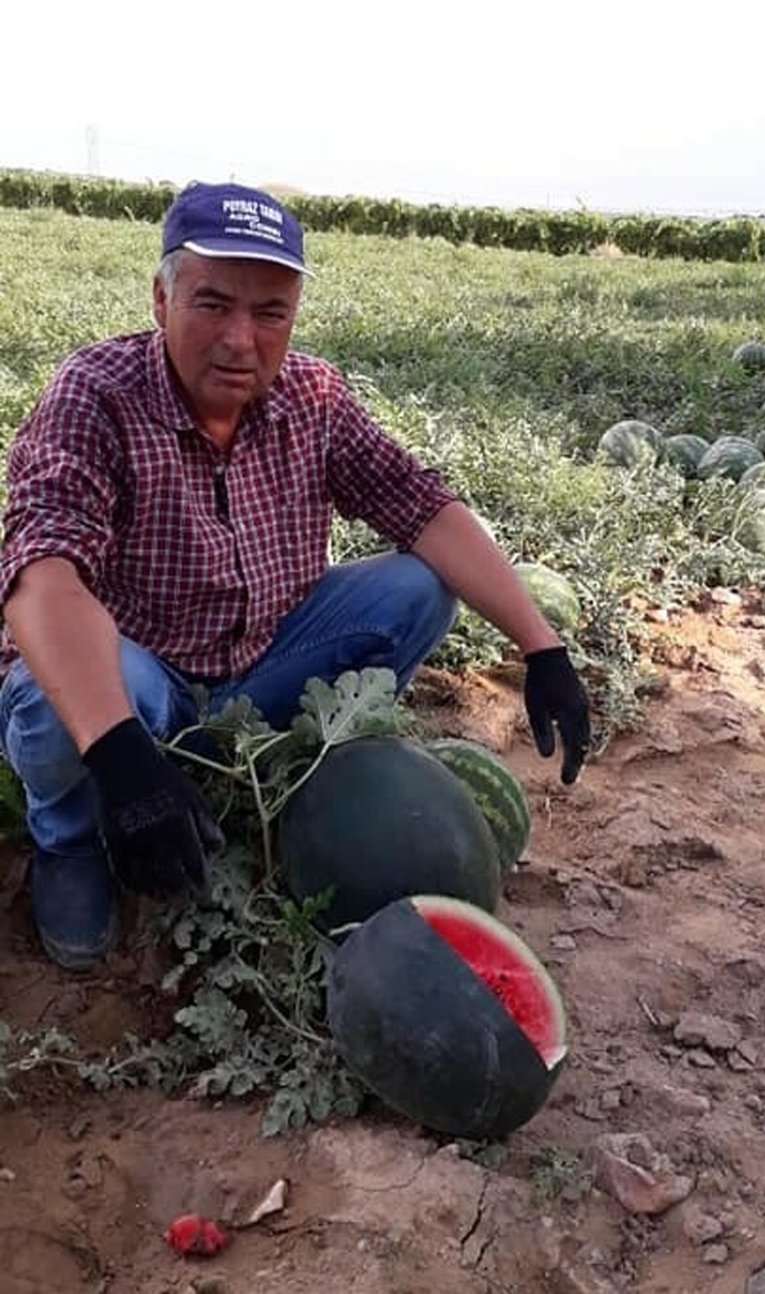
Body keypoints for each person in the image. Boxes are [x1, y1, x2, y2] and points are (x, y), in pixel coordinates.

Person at [0, 181, 590, 971]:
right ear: (160, 298)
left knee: (417, 588)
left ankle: (264, 776)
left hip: (260, 673)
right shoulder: (95, 395)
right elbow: (43, 577)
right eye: (213, 304)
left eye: (270, 312)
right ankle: (71, 840)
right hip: (131, 690)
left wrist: (541, 646)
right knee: (45, 689)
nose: (241, 340)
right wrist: (119, 755)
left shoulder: (312, 395)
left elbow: (424, 506)